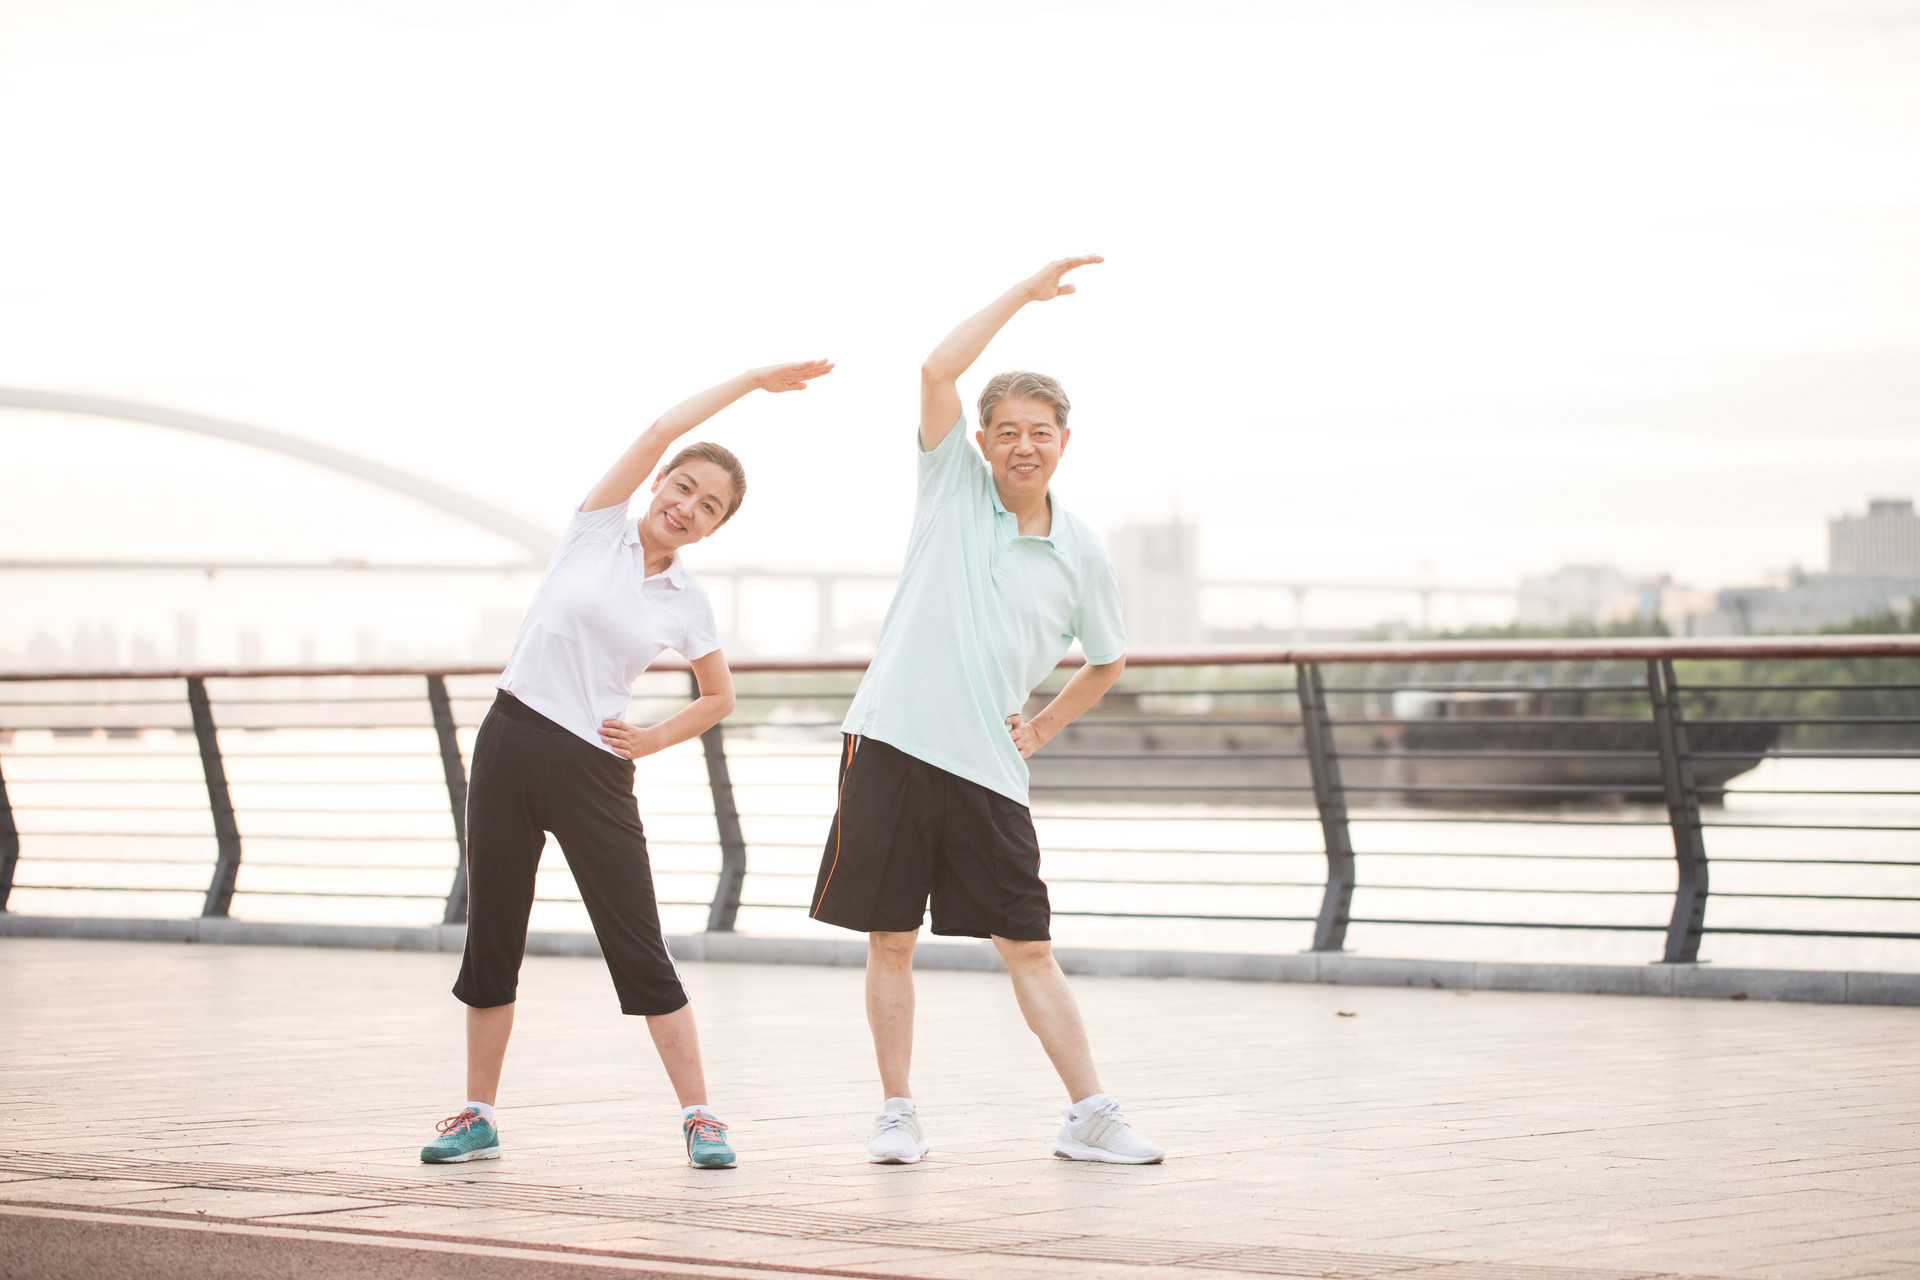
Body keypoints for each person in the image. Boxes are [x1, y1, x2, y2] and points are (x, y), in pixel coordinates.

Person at [420, 358, 834, 1169]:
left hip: (593, 770)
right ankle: (478, 1114)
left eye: (707, 507)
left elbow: (720, 698)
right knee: (494, 930)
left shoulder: (688, 599)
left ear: (715, 529)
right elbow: (657, 430)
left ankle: (701, 1116)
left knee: (637, 941)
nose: (687, 507)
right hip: (509, 742)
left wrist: (650, 738)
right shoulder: (596, 528)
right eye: (682, 487)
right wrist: (750, 382)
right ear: (658, 486)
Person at [809, 257, 1164, 1165]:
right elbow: (934, 370)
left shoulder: (1082, 548)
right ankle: (898, 1112)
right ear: (981, 438)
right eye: (1004, 430)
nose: (1021, 446)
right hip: (890, 741)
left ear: (1064, 442)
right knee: (892, 938)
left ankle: (1090, 1113)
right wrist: (1021, 295)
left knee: (1029, 946)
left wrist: (1040, 727)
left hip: (990, 768)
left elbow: (1109, 659)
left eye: (1039, 432)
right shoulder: (951, 490)